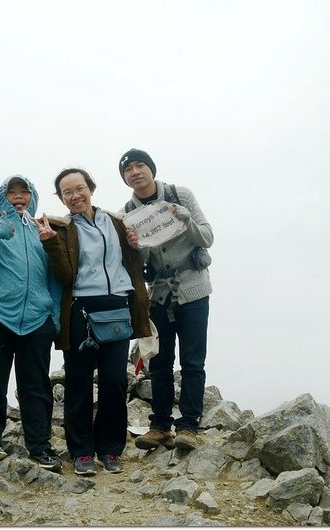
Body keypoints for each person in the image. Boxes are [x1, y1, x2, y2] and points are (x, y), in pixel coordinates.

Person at [40, 168, 151, 475]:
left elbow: (135, 262)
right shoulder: (62, 228)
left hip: (117, 306)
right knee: (78, 382)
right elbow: (64, 276)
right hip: (80, 310)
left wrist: (137, 244)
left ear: (91, 188)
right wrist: (50, 245)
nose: (75, 196)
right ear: (61, 199)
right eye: (67, 192)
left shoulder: (117, 222)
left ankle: (111, 448)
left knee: (115, 381)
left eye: (79, 188)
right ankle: (81, 450)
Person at [0, 175, 63, 472]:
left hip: (37, 319)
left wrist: (54, 316)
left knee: (35, 386)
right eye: (12, 192)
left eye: (25, 191)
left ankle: (40, 447)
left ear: (32, 197)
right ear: (1, 196)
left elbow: (54, 279)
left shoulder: (40, 229)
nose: (18, 196)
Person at [119, 148, 214, 451]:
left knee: (192, 361)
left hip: (193, 288)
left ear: (151, 169)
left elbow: (208, 237)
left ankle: (189, 426)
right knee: (159, 362)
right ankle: (159, 426)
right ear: (125, 178)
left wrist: (186, 221)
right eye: (128, 169)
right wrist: (136, 245)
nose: (135, 172)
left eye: (140, 165)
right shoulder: (127, 212)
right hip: (158, 294)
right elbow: (139, 261)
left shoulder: (180, 195)